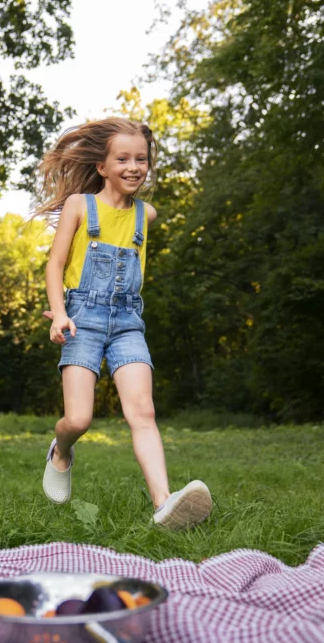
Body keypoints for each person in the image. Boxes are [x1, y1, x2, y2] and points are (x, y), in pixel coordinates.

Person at [38, 117, 212, 531]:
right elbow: (55, 265)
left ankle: (164, 504)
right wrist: (59, 312)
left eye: (141, 159)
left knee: (143, 411)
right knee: (78, 420)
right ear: (102, 166)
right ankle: (60, 451)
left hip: (128, 321)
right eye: (123, 159)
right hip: (82, 318)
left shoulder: (145, 215)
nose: (134, 167)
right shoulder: (81, 206)